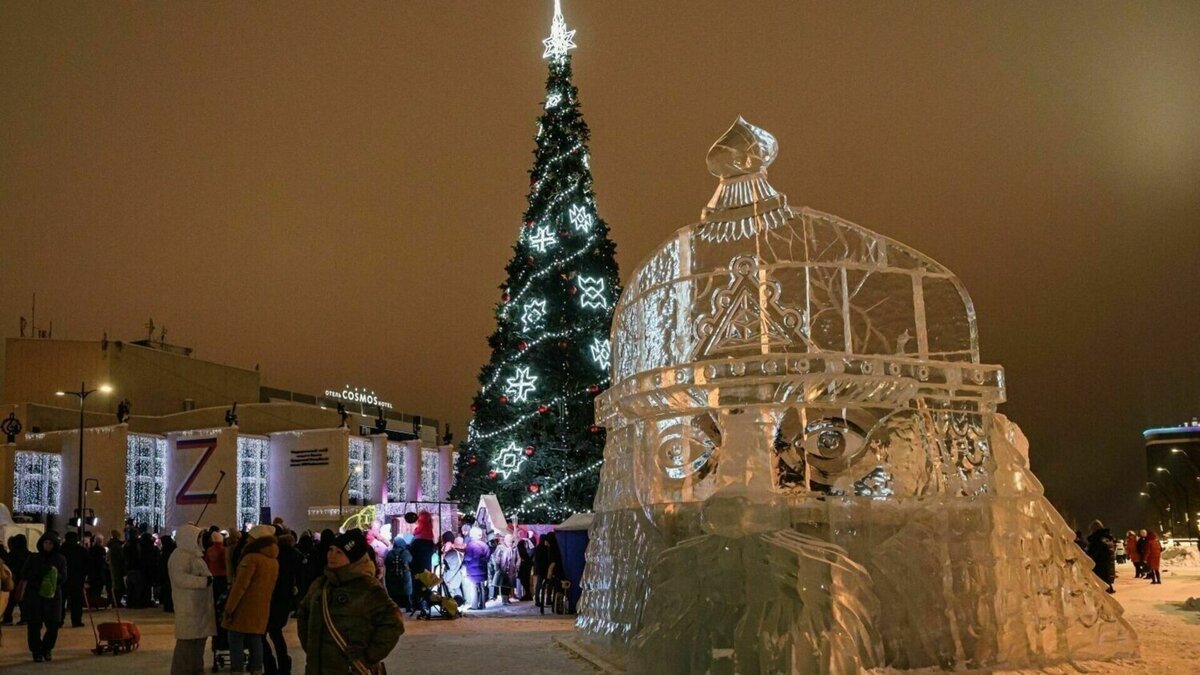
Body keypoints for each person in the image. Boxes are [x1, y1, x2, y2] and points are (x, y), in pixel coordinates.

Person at [296, 529, 404, 675]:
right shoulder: (320, 584)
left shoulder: (368, 587)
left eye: (339, 552)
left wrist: (368, 656)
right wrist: (311, 646)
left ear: (353, 558)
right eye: (331, 550)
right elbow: (303, 612)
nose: (332, 555)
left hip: (352, 669)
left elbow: (393, 624)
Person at [221, 524, 279, 675]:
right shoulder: (273, 561)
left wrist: (229, 608)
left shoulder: (251, 558)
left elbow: (240, 586)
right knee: (255, 638)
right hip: (262, 606)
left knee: (235, 637)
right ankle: (256, 669)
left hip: (244, 606)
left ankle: (237, 670)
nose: (247, 540)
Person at [169, 524, 215, 675]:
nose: (201, 540)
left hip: (198, 607)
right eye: (198, 537)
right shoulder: (179, 556)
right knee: (186, 646)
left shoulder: (194, 555)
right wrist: (203, 582)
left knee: (197, 646)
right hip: (188, 607)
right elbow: (180, 578)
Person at [20, 532, 67, 662]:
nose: (47, 545)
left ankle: (47, 648)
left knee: (53, 626)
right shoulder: (34, 557)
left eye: (50, 543)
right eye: (45, 543)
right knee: (34, 625)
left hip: (53, 597)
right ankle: (36, 651)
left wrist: (54, 574)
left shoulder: (60, 559)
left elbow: (64, 578)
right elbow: (25, 573)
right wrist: (40, 571)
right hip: (35, 596)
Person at [264, 530, 301, 675]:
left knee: (263, 635)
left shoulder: (275, 557)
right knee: (276, 633)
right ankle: (284, 664)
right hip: (284, 599)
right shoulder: (295, 555)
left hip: (272, 597)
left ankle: (271, 665)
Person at [60, 531, 88, 627]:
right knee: (77, 602)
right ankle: (76, 621)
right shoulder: (81, 550)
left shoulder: (61, 550)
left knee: (61, 601)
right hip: (77, 579)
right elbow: (87, 565)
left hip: (63, 579)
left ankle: (59, 620)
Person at [2, 534, 29, 624]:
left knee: (11, 601)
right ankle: (25, 618)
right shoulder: (29, 554)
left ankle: (8, 619)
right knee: (23, 601)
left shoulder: (12, 554)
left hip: (13, 580)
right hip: (25, 580)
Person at [1085, 520, 1116, 594]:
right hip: (1107, 570)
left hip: (1100, 570)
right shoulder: (1107, 538)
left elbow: (1093, 555)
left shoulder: (1097, 540)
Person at [463, 528, 490, 610]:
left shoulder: (470, 545)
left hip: (473, 570)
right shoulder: (485, 545)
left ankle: (474, 605)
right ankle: (482, 604)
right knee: (482, 587)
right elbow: (487, 557)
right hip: (482, 568)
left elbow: (468, 557)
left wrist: (463, 557)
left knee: (474, 587)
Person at [384, 536, 413, 611]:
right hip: (404, 578)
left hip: (392, 578)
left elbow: (386, 563)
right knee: (406, 594)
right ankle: (408, 607)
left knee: (393, 595)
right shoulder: (406, 553)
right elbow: (410, 560)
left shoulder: (390, 553)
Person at [490, 534, 519, 605]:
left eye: (511, 542)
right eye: (509, 542)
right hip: (503, 569)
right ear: (505, 541)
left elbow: (517, 557)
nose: (510, 543)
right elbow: (496, 558)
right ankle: (504, 599)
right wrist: (497, 567)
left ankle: (507, 598)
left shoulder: (514, 548)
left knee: (509, 584)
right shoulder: (500, 547)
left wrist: (517, 565)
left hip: (511, 569)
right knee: (503, 584)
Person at [107, 532, 126, 608]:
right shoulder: (117, 546)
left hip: (114, 567)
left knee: (116, 585)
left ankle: (115, 601)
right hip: (117, 568)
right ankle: (116, 602)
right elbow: (121, 558)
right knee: (118, 586)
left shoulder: (112, 546)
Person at [516, 529, 535, 601]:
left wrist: (524, 559)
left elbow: (522, 553)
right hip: (528, 563)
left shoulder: (522, 542)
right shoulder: (530, 542)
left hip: (524, 564)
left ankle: (528, 595)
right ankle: (528, 594)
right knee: (526, 579)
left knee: (524, 579)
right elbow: (532, 552)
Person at [160, 534, 177, 612]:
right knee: (170, 589)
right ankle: (170, 606)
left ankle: (167, 606)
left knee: (166, 589)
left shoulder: (163, 550)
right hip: (170, 571)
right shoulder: (171, 550)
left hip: (164, 572)